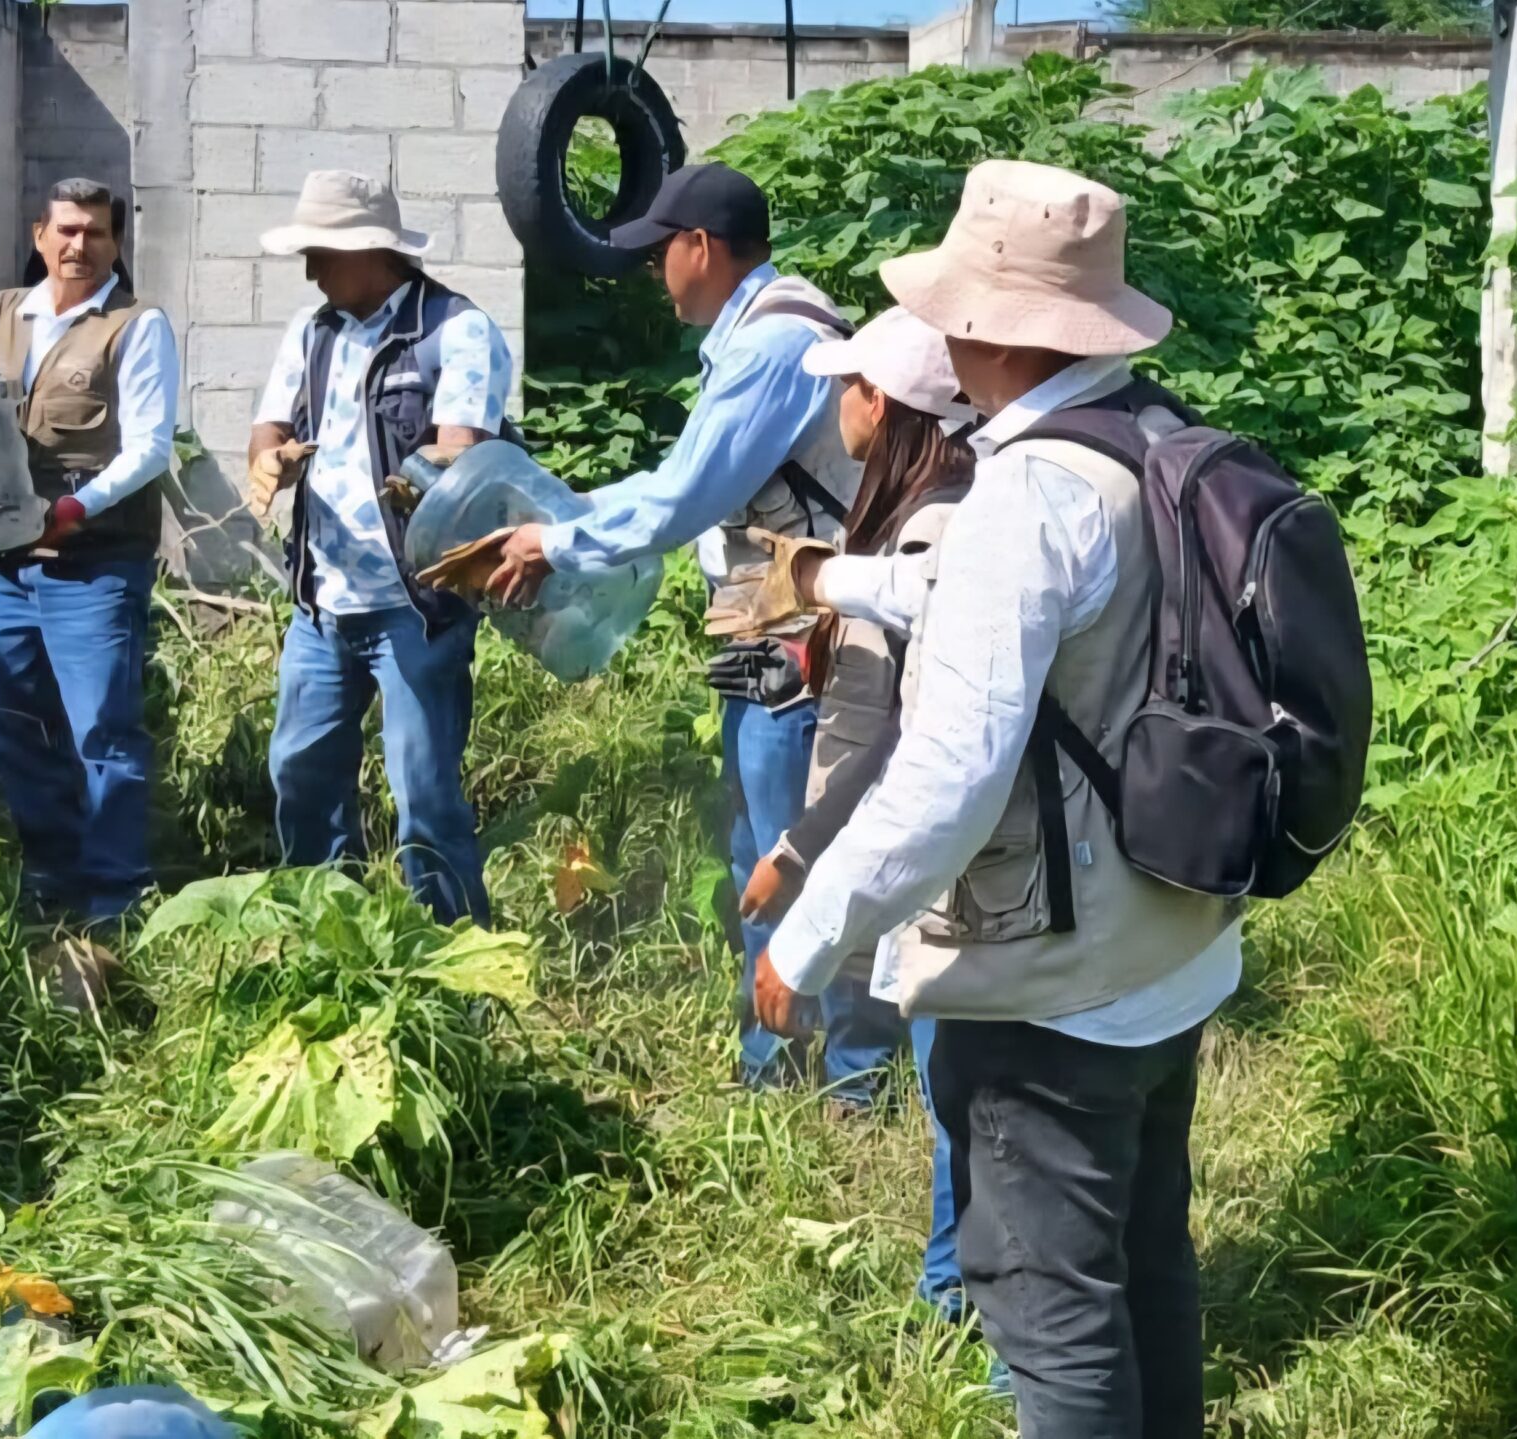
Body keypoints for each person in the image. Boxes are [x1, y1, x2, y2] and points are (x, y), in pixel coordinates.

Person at [757, 160, 1245, 1436]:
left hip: (1052, 989)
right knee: (1145, 1266)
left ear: (982, 327)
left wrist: (811, 936)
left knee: (1048, 1309)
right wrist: (843, 582)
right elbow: (1013, 610)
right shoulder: (1142, 442)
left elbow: (951, 774)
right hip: (1172, 942)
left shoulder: (1024, 497)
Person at [427, 163, 900, 1106]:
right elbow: (685, 482)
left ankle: (850, 1082)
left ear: (703, 249)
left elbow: (683, 501)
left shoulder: (774, 349)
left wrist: (555, 538)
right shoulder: (760, 336)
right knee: (750, 843)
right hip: (757, 623)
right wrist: (552, 525)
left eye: (660, 254)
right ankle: (774, 1061)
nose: (654, 274)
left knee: (797, 848)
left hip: (808, 633)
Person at [712, 308, 979, 1319]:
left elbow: (885, 739)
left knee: (960, 1085)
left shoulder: (923, 534)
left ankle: (956, 1296)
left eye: (847, 388)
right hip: (955, 852)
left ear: (882, 403)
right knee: (964, 1082)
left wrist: (801, 859)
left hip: (953, 864)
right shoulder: (932, 506)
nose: (836, 405)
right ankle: (956, 1285)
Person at [0, 177, 180, 927]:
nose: (81, 246)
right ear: (39, 236)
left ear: (116, 243)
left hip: (94, 563)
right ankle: (54, 877)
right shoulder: (1, 315)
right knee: (13, 728)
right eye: (68, 231)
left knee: (102, 733)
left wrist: (73, 509)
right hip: (12, 566)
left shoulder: (136, 326)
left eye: (98, 234)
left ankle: (115, 899)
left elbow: (148, 449)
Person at [244, 170, 515, 924]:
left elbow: (461, 457)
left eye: (321, 253)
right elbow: (267, 428)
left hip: (414, 611)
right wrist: (269, 458)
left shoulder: (455, 331)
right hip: (322, 605)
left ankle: (457, 962)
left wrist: (426, 476)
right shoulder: (313, 330)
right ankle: (330, 938)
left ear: (370, 250)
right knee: (299, 775)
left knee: (424, 797)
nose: (310, 270)